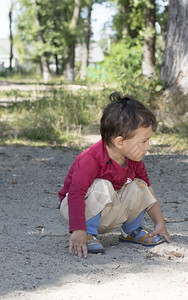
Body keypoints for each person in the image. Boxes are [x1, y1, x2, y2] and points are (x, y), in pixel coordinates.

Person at [58, 92, 171, 258]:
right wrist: (78, 230)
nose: (148, 146)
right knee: (103, 185)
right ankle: (88, 234)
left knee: (140, 185)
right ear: (120, 142)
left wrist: (159, 222)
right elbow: (76, 194)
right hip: (77, 209)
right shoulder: (90, 159)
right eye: (144, 141)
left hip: (109, 211)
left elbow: (148, 191)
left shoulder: (134, 158)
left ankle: (132, 231)